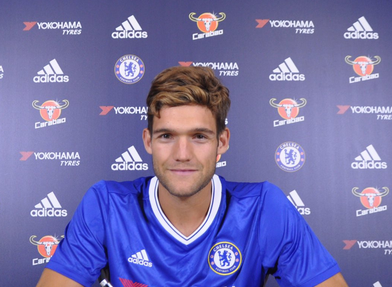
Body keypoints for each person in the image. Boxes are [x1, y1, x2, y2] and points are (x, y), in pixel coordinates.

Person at [37, 66, 348, 287]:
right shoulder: (106, 206)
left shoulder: (264, 207)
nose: (182, 153)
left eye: (199, 136)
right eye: (167, 136)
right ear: (148, 141)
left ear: (221, 142)